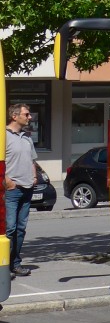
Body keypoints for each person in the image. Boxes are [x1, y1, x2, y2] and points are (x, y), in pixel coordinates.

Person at [5, 102, 38, 278]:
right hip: (12, 190)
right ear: (14, 116)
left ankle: (15, 264)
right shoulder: (3, 135)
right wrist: (7, 181)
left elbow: (32, 160)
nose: (30, 117)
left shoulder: (27, 137)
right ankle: (4, 266)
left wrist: (34, 177)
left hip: (27, 188)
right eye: (26, 114)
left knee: (20, 229)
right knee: (9, 229)